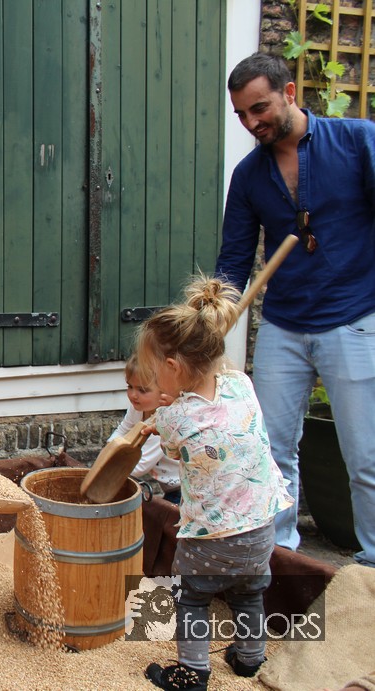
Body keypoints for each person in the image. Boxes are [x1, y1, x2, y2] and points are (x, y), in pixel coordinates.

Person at [215, 51, 375, 568]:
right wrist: (212, 314)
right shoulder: (249, 175)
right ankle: (280, 560)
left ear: (288, 93)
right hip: (283, 327)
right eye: (241, 114)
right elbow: (234, 261)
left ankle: (372, 568)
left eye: (259, 108)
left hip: (354, 320)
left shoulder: (358, 141)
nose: (251, 122)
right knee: (270, 453)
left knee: (367, 458)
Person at [135, 276, 293, 691]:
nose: (154, 379)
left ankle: (192, 673)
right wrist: (179, 398)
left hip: (213, 537)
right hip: (261, 528)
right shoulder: (241, 384)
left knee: (191, 597)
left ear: (173, 367)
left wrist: (167, 410)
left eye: (155, 371)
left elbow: (173, 453)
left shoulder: (175, 418)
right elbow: (212, 408)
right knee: (247, 593)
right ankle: (249, 659)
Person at [108, 353, 180, 503]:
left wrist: (107, 472)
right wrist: (109, 450)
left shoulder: (163, 421)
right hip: (169, 486)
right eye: (130, 386)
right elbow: (122, 430)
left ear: (164, 391)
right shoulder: (138, 408)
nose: (133, 395)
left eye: (142, 390)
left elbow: (140, 465)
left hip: (182, 489)